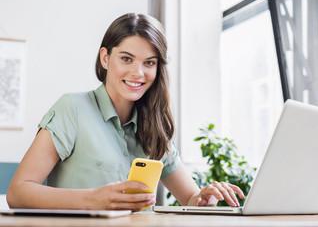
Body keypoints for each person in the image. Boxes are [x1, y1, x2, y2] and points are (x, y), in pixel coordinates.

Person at [7, 13, 244, 211]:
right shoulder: (72, 109)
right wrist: (92, 199)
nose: (138, 73)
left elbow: (191, 199)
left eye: (149, 62)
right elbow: (18, 192)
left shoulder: (154, 126)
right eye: (126, 59)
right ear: (105, 58)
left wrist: (203, 199)